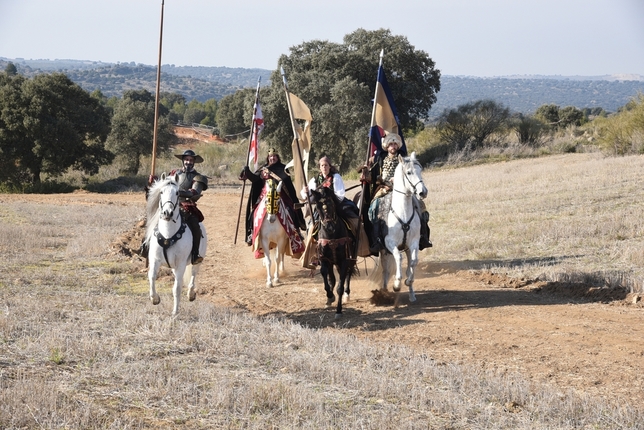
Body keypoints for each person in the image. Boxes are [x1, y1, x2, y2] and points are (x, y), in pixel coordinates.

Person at [364, 132, 432, 253]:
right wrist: (366, 172)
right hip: (385, 189)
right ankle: (377, 240)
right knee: (374, 209)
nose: (393, 146)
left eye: (395, 144)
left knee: (421, 208)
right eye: (391, 144)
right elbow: (372, 177)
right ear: (387, 146)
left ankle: (423, 237)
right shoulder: (379, 159)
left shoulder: (404, 159)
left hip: (403, 190)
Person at [239, 148, 305, 246]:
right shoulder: (263, 169)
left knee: (291, 210)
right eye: (271, 156)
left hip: (281, 196)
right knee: (254, 213)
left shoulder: (283, 168)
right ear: (268, 158)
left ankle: (296, 231)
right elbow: (255, 179)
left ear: (278, 158)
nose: (272, 158)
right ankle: (252, 233)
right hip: (264, 197)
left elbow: (288, 184)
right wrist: (247, 171)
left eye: (274, 156)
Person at [167, 149, 208, 265]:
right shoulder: (174, 173)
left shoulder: (199, 177)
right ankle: (145, 247)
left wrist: (177, 192)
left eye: (191, 160)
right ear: (183, 160)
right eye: (186, 160)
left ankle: (195, 254)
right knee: (153, 219)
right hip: (170, 204)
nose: (188, 162)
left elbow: (194, 192)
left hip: (186, 206)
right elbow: (165, 186)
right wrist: (154, 181)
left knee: (195, 226)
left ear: (194, 162)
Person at [301, 155, 359, 224]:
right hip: (321, 206)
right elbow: (306, 194)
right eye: (322, 165)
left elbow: (340, 195)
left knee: (353, 219)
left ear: (329, 166)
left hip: (336, 204)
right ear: (320, 167)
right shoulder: (314, 179)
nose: (324, 167)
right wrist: (305, 191)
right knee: (311, 224)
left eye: (326, 165)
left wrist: (331, 201)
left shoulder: (336, 177)